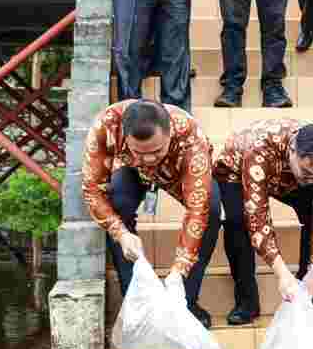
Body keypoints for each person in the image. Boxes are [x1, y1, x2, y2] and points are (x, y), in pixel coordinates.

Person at [81, 99, 219, 328]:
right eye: (139, 151)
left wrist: (179, 270)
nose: (147, 159)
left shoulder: (191, 136)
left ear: (170, 133)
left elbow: (198, 209)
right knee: (116, 202)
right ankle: (136, 302)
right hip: (129, 170)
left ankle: (187, 301)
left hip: (176, 172)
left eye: (156, 150)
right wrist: (121, 233)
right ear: (124, 135)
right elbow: (92, 189)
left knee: (212, 210)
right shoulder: (106, 126)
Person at [216, 119, 313, 325]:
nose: (311, 180)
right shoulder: (261, 148)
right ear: (293, 150)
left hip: (287, 176)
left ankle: (306, 294)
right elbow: (257, 217)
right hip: (237, 170)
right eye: (307, 172)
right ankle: (246, 299)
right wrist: (282, 274)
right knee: (237, 221)